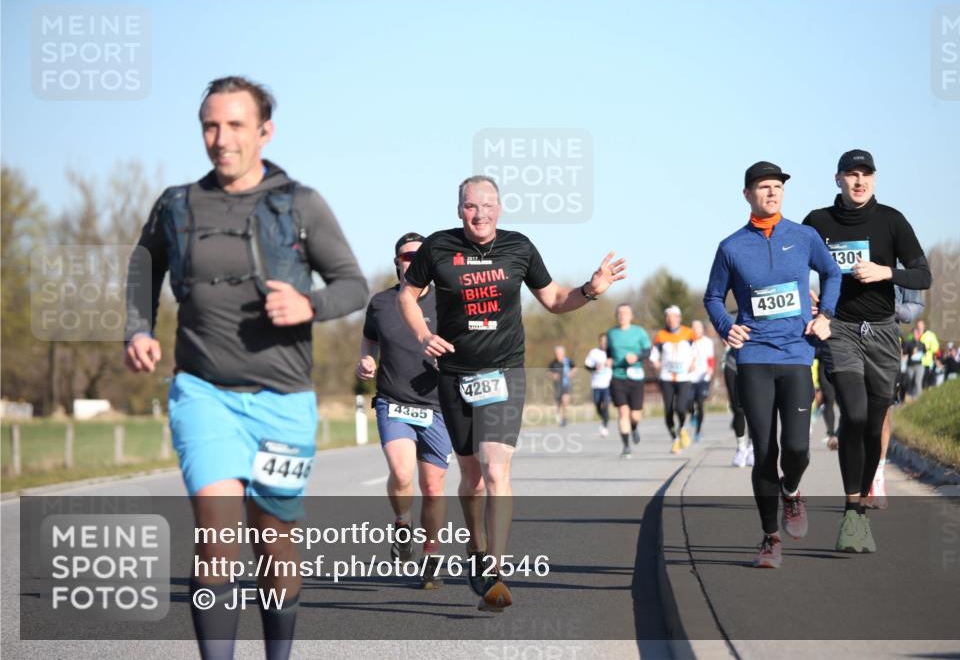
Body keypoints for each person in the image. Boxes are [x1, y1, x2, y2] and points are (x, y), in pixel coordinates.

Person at [124, 76, 368, 659]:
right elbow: (143, 262)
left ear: (265, 132)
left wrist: (310, 304)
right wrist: (137, 326)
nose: (220, 138)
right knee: (217, 538)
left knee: (275, 543)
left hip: (282, 401)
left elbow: (353, 285)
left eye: (235, 125)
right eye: (210, 125)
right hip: (203, 391)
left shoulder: (299, 204)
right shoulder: (177, 204)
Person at [397, 175, 626, 611]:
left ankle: (496, 571)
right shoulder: (439, 247)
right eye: (469, 206)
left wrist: (591, 290)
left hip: (504, 374)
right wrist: (423, 334)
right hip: (453, 375)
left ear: (500, 209)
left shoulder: (519, 246)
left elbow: (555, 299)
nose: (478, 213)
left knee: (496, 469)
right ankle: (478, 550)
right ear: (458, 209)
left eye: (486, 205)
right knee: (471, 477)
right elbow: (406, 297)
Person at [705, 161, 841, 568]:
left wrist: (825, 315)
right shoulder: (731, 247)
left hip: (798, 354)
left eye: (777, 187)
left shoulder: (804, 236)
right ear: (747, 194)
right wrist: (726, 326)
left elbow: (832, 273)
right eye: (764, 187)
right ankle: (770, 537)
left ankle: (792, 492)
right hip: (754, 358)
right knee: (764, 450)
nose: (772, 193)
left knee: (797, 448)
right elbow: (713, 297)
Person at [803, 149, 931, 553]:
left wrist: (887, 272)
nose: (859, 181)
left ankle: (861, 496)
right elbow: (790, 265)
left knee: (874, 426)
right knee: (853, 415)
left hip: (882, 333)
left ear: (874, 180)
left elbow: (923, 275)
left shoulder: (891, 220)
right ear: (837, 179)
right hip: (839, 329)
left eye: (866, 175)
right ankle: (853, 513)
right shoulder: (818, 222)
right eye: (851, 175)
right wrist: (805, 299)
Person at [356, 233, 451, 589]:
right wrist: (366, 358)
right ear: (397, 262)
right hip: (393, 401)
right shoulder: (381, 302)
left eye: (419, 254)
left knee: (433, 486)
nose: (412, 260)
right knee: (401, 472)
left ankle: (431, 557)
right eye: (406, 255)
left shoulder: (447, 301)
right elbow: (370, 338)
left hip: (439, 406)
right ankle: (402, 520)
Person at [868, 284, 925, 509]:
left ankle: (878, 477)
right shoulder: (855, 253)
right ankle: (859, 477)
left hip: (888, 342)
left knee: (883, 416)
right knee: (856, 415)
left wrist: (896, 309)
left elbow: (916, 304)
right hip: (852, 340)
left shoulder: (900, 261)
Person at [606, 303, 652, 458]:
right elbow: (608, 353)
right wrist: (609, 360)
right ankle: (626, 446)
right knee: (622, 412)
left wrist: (636, 357)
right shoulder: (611, 334)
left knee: (635, 415)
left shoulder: (639, 332)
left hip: (636, 376)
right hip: (617, 377)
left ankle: (634, 427)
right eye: (619, 313)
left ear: (631, 316)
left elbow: (647, 351)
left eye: (625, 313)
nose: (622, 315)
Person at [650, 306, 696, 454]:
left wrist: (694, 362)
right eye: (668, 317)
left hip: (683, 377)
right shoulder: (661, 335)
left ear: (679, 318)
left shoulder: (689, 333)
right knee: (668, 410)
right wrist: (655, 362)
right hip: (666, 377)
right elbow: (654, 353)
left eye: (673, 317)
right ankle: (675, 440)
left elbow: (696, 351)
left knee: (681, 408)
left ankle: (682, 428)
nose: (670, 320)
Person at [723, 344, 751, 467]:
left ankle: (752, 448)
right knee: (738, 410)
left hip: (755, 364)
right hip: (733, 365)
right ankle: (741, 448)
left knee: (754, 409)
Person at [689, 319, 715, 440]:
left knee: (700, 403)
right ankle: (692, 413)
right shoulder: (687, 342)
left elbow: (710, 358)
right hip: (689, 377)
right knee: (688, 402)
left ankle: (698, 431)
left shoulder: (707, 342)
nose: (695, 330)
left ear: (702, 329)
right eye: (693, 327)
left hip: (703, 377)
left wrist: (710, 369)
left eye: (697, 327)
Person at [584, 333, 613, 436]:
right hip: (596, 384)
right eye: (602, 341)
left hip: (608, 383)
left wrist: (612, 364)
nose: (603, 343)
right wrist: (594, 368)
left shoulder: (612, 353)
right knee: (597, 405)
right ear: (599, 342)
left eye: (605, 341)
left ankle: (604, 425)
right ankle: (604, 419)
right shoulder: (594, 352)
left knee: (605, 405)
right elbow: (586, 366)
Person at [547, 345, 576, 427]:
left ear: (563, 353)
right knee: (558, 403)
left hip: (566, 384)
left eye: (559, 353)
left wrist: (571, 373)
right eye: (556, 354)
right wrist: (553, 375)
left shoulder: (568, 361)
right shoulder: (553, 363)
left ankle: (564, 418)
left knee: (565, 401)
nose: (557, 355)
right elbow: (548, 372)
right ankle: (559, 415)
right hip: (557, 386)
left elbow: (574, 368)